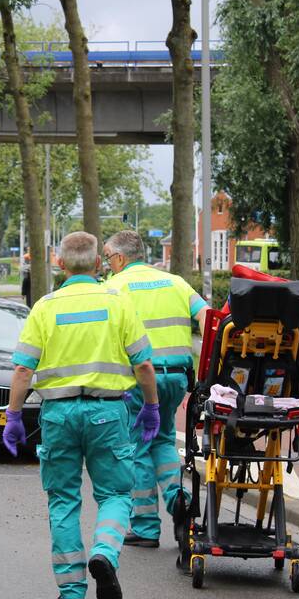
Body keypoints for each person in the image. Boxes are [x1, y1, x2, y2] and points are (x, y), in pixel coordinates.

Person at [3, 231, 161, 599]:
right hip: (107, 412)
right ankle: (105, 552)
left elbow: (24, 369)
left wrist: (12, 416)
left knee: (63, 500)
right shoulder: (117, 302)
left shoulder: (44, 307)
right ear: (97, 264)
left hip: (57, 414)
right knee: (115, 494)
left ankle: (72, 592)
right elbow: (142, 363)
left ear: (59, 264)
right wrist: (152, 406)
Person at [104, 230, 208, 550]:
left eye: (109, 258)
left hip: (139, 379)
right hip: (177, 377)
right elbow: (207, 317)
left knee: (136, 447)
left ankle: (146, 527)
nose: (108, 265)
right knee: (162, 439)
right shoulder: (176, 282)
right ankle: (179, 499)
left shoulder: (113, 287)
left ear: (120, 258)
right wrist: (206, 365)